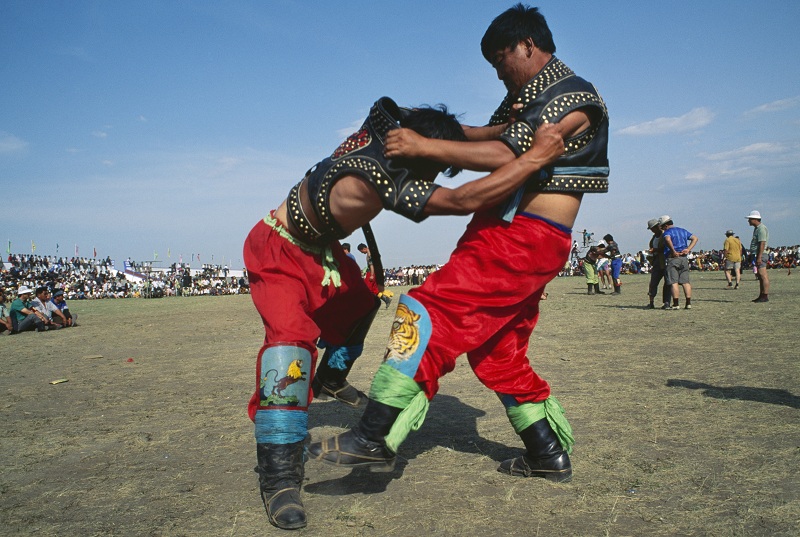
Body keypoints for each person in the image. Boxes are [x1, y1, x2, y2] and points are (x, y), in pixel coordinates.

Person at [310, 4, 608, 487]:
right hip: (516, 235)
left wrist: (422, 148)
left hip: (520, 237)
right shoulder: (532, 97)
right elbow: (487, 136)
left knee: (425, 312)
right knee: (498, 351)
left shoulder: (572, 97)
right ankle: (546, 452)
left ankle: (372, 436)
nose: (497, 72)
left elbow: (502, 153)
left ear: (527, 45)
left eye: (499, 59)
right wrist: (417, 127)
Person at [243, 96, 565, 529]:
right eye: (432, 163)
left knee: (362, 303)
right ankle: (279, 476)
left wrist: (502, 132)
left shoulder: (384, 121)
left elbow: (454, 136)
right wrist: (534, 158)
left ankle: (333, 378)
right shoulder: (377, 176)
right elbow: (460, 200)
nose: (432, 173)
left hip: (326, 253)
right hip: (279, 246)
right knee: (290, 348)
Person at [660, 216, 698, 310]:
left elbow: (668, 239)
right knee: (685, 282)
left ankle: (676, 304)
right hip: (684, 258)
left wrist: (673, 250)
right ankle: (688, 303)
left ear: (666, 225)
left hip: (673, 258)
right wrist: (688, 249)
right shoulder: (682, 230)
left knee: (674, 282)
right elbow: (695, 238)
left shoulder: (668, 232)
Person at [358, 242, 392, 308]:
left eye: (361, 251)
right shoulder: (373, 252)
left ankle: (371, 304)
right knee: (374, 289)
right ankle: (386, 300)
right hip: (376, 272)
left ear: (364, 249)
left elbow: (371, 265)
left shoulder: (370, 254)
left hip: (371, 272)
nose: (362, 253)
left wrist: (371, 275)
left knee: (367, 288)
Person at [646, 217, 670, 309]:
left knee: (667, 283)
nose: (652, 230)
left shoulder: (665, 235)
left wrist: (655, 250)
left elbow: (666, 248)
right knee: (653, 282)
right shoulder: (654, 237)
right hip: (656, 261)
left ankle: (667, 302)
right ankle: (651, 302)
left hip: (665, 261)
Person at [746, 210, 770, 302]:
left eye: (750, 219)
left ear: (755, 219)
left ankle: (765, 295)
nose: (748, 221)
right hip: (757, 254)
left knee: (763, 275)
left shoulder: (761, 229)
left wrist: (759, 257)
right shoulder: (757, 229)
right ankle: (762, 294)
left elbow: (762, 243)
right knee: (760, 275)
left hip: (761, 254)